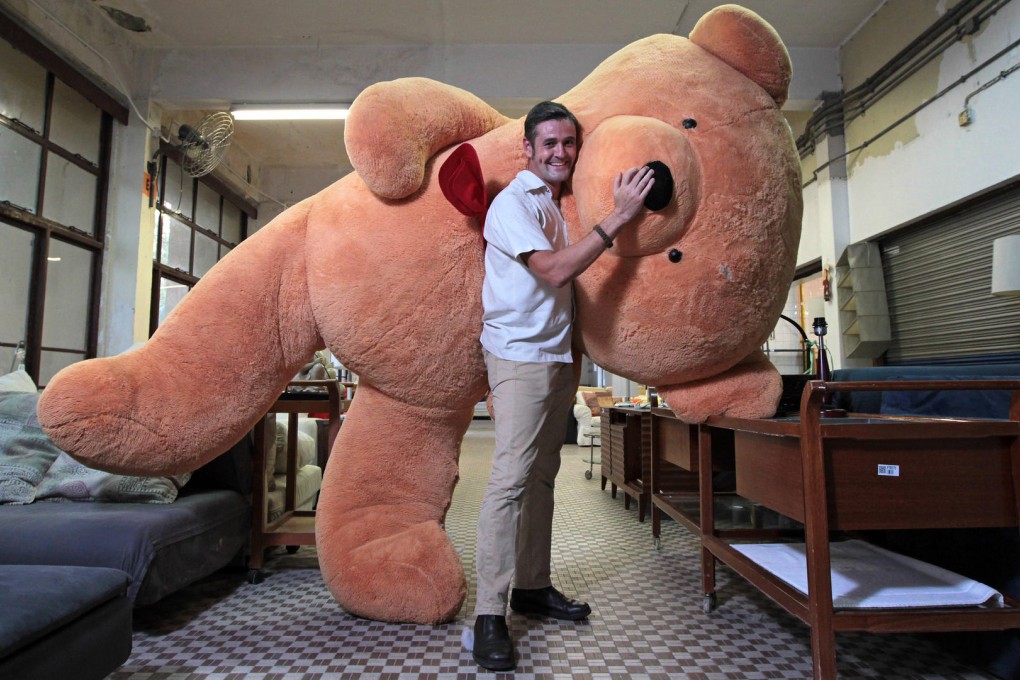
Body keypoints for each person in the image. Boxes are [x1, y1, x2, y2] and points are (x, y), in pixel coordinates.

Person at [473, 100, 655, 671]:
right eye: (549, 143)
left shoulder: (555, 205)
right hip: (520, 357)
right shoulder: (512, 205)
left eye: (568, 143)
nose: (560, 152)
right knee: (509, 480)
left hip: (556, 355)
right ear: (527, 149)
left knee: (543, 477)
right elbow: (552, 271)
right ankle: (487, 616)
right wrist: (619, 217)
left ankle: (531, 585)